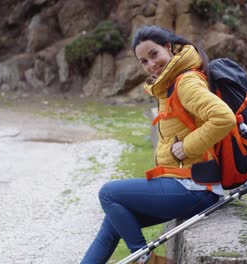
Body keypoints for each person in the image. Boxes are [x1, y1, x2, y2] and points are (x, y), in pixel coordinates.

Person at [80, 25, 235, 264]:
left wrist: (187, 146)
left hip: (195, 188)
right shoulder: (170, 83)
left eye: (154, 54)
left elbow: (224, 118)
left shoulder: (186, 82)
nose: (151, 64)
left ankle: (145, 260)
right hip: (183, 183)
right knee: (112, 222)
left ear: (168, 48)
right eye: (143, 61)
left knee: (109, 194)